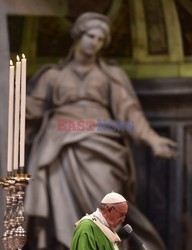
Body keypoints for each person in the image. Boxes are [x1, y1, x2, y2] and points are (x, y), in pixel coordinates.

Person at [24, 12, 177, 250]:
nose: (94, 42)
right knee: (59, 197)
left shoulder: (109, 75)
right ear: (78, 36)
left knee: (107, 199)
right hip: (58, 145)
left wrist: (153, 139)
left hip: (101, 141)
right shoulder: (54, 75)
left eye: (100, 39)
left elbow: (129, 112)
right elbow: (30, 108)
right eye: (90, 36)